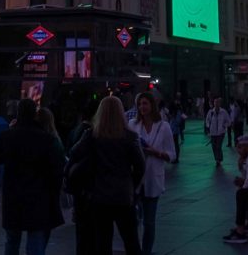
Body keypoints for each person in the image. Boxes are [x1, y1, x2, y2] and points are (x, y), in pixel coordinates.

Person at [67, 96, 145, 255]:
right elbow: (140, 166)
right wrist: (132, 183)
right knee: (131, 240)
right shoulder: (129, 137)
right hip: (123, 194)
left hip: (99, 194)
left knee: (102, 241)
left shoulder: (92, 136)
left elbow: (74, 153)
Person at [0, 99, 65, 255]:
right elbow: (56, 169)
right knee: (36, 241)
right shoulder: (46, 139)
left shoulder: (7, 136)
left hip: (13, 195)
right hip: (38, 196)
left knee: (12, 240)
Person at [128, 92, 175, 255]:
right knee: (132, 219)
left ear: (152, 105)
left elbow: (171, 154)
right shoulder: (132, 125)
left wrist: (157, 153)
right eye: (140, 104)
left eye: (145, 103)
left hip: (153, 178)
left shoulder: (164, 127)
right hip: (135, 178)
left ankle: (146, 251)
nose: (142, 107)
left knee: (149, 222)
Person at [205, 98, 231, 166]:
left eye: (217, 102)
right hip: (213, 132)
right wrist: (208, 126)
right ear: (214, 103)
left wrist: (224, 126)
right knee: (214, 147)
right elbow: (207, 120)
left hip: (220, 132)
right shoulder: (211, 112)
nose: (216, 104)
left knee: (218, 146)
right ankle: (217, 158)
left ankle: (218, 160)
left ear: (220, 103)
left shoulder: (223, 112)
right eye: (215, 102)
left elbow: (228, 121)